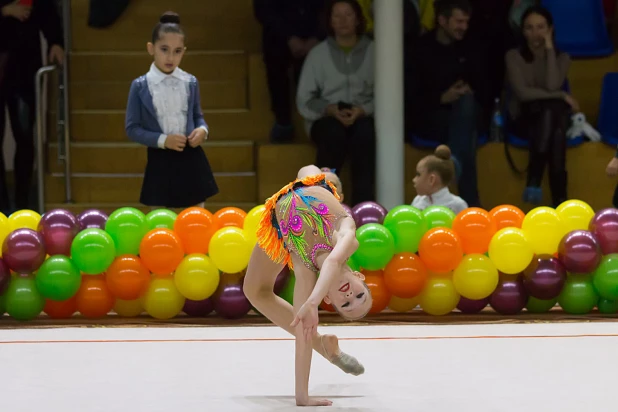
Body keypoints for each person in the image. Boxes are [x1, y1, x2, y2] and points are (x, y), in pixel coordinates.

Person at [243, 164, 372, 407]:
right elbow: (333, 260)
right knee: (309, 168)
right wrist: (313, 302)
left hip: (280, 221)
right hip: (311, 186)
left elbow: (302, 338)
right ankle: (323, 345)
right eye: (360, 295)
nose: (350, 296)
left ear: (330, 300)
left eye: (346, 303)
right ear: (359, 276)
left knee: (254, 291)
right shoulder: (347, 238)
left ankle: (322, 346)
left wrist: (302, 396)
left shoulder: (305, 273)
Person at [125, 12, 218, 209]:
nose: (170, 57)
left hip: (191, 158)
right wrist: (163, 140)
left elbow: (198, 116)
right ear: (151, 48)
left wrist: (203, 131)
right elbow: (132, 128)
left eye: (177, 51)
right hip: (160, 161)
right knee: (160, 221)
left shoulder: (190, 82)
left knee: (195, 217)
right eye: (164, 49)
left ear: (184, 51)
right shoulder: (140, 86)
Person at [405, 0, 488, 208]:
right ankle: (470, 202)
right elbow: (411, 98)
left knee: (467, 108)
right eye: (459, 21)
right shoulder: (420, 49)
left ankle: (455, 171)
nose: (464, 27)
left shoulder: (470, 46)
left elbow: (485, 89)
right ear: (442, 20)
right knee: (466, 138)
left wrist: (467, 89)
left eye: (466, 22)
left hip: (464, 116)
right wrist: (442, 97)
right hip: (429, 117)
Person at [296, 0, 376, 206]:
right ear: (329, 21)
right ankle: (323, 207)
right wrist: (329, 109)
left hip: (364, 116)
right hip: (327, 118)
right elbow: (305, 100)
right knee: (333, 135)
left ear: (358, 18)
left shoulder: (376, 51)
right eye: (336, 16)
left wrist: (363, 110)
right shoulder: (318, 54)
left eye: (348, 15)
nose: (342, 21)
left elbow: (387, 95)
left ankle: (364, 209)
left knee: (365, 137)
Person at [505, 6, 576, 206]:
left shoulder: (562, 57)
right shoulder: (513, 56)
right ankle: (560, 200)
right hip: (523, 117)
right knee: (554, 110)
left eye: (540, 27)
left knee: (554, 121)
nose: (535, 33)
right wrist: (561, 94)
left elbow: (552, 82)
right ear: (522, 31)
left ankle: (534, 180)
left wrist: (549, 49)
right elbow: (523, 93)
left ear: (550, 30)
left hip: (549, 121)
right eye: (529, 28)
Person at [0, 0, 64, 213]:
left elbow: (48, 13)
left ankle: (21, 204)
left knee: (25, 138)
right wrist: (5, 10)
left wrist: (56, 42)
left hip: (24, 71)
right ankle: (2, 206)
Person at [253, 0, 326, 144]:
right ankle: (283, 121)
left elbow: (330, 8)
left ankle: (320, 121)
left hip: (315, 35)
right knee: (275, 61)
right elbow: (263, 11)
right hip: (279, 37)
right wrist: (289, 38)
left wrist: (316, 37)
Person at [412, 145, 468, 214]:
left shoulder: (457, 205)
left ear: (431, 180)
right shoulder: (417, 201)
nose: (414, 180)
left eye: (418, 175)